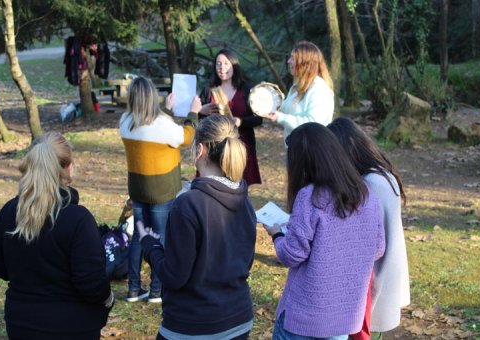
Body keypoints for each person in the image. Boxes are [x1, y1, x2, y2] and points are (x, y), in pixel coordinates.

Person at [136, 114, 256, 339]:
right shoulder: (245, 201)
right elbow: (244, 263)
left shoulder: (188, 204)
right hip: (239, 318)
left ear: (199, 150)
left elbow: (174, 276)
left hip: (195, 325)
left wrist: (149, 245)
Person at [0, 132, 113, 339]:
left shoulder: (10, 211)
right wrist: (109, 298)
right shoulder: (78, 219)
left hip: (22, 322)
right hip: (72, 326)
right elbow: (91, 284)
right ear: (68, 167)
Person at [263, 123, 385, 339]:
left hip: (304, 319)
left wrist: (277, 235)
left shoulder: (310, 196)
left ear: (302, 162)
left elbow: (292, 254)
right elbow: (377, 248)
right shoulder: (367, 194)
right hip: (344, 320)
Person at [119, 76, 200, 303]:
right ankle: (156, 290)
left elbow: (150, 128)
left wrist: (167, 109)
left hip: (137, 189)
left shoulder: (125, 122)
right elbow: (185, 137)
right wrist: (193, 113)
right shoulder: (163, 125)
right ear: (152, 97)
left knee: (138, 236)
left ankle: (133, 289)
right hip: (161, 190)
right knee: (161, 237)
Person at [327, 117, 410, 336]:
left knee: (362, 330)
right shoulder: (382, 174)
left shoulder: (371, 183)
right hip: (382, 267)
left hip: (373, 274)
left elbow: (365, 237)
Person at [198, 48, 263, 186]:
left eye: (226, 63)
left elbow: (259, 118)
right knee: (213, 187)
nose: (222, 68)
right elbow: (198, 119)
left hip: (241, 147)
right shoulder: (209, 89)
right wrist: (201, 111)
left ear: (234, 65)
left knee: (239, 189)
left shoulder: (247, 89)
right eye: (218, 64)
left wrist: (241, 121)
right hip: (213, 148)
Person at [266, 41, 335, 140]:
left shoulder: (319, 90)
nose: (288, 61)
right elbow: (286, 110)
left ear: (305, 63)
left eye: (293, 58)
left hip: (313, 151)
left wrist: (280, 118)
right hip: (296, 149)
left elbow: (314, 125)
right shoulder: (298, 86)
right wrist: (267, 105)